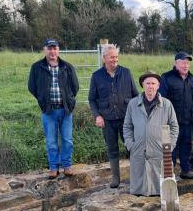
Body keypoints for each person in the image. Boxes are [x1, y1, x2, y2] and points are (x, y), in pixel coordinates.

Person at [27, 39, 80, 179]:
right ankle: (53, 168)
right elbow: (32, 87)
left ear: (58, 50)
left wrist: (69, 100)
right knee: (51, 141)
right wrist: (42, 100)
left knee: (67, 140)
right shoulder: (37, 67)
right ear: (45, 50)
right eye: (49, 48)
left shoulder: (67, 67)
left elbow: (75, 87)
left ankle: (67, 166)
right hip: (48, 111)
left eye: (54, 48)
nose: (52, 51)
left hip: (66, 110)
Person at [88, 43, 139, 188]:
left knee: (132, 147)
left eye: (116, 57)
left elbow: (136, 96)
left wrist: (136, 116)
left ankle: (135, 176)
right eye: (111, 57)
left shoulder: (126, 73)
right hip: (107, 120)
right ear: (104, 58)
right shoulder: (96, 76)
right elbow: (92, 99)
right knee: (112, 148)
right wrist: (97, 116)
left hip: (126, 119)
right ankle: (116, 179)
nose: (114, 60)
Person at [123, 71, 179, 196]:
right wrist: (130, 144)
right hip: (138, 149)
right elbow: (127, 126)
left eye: (153, 83)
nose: (150, 86)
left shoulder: (166, 104)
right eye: (147, 83)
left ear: (158, 85)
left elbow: (174, 127)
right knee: (139, 188)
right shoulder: (133, 104)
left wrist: (170, 145)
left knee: (159, 188)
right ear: (143, 85)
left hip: (159, 150)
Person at [159, 52, 193, 179]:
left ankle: (185, 171)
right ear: (176, 63)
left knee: (186, 147)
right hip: (171, 123)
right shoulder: (166, 78)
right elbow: (161, 100)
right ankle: (169, 173)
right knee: (171, 148)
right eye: (182, 62)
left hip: (188, 121)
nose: (185, 65)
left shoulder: (192, 79)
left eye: (187, 63)